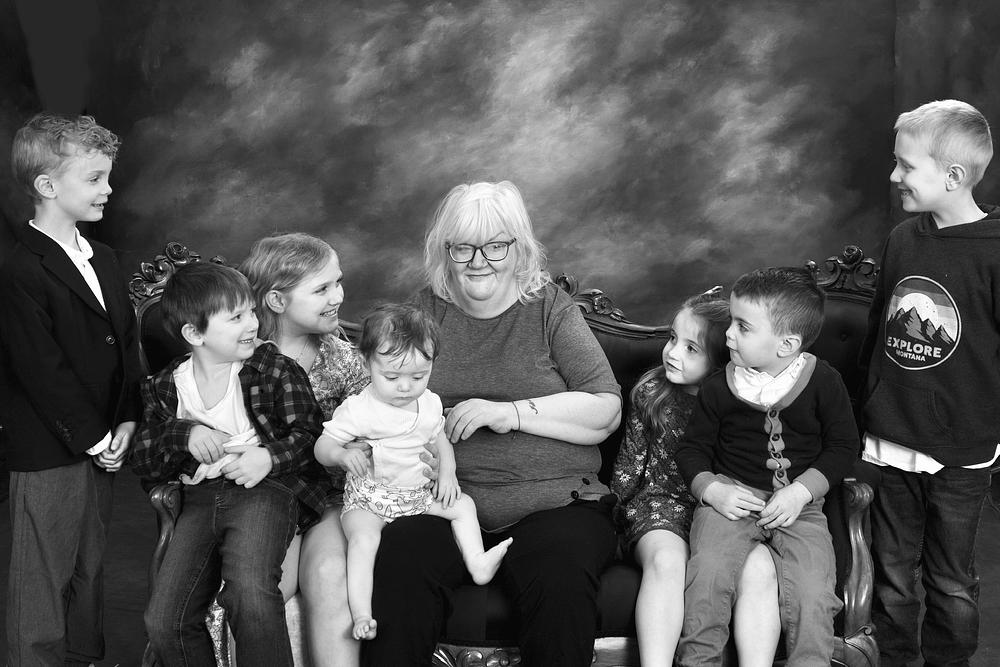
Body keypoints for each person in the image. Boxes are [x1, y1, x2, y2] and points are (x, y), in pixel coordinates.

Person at [362, 181, 623, 667]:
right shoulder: (424, 313)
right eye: (463, 247)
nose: (478, 261)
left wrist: (510, 413)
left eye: (495, 246)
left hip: (556, 504)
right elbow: (379, 399)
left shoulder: (550, 310)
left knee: (560, 571)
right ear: (445, 251)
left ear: (518, 248)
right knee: (401, 555)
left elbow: (605, 409)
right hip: (441, 504)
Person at [242, 232, 439, 667]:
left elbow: (382, 423)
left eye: (338, 282)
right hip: (264, 496)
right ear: (276, 300)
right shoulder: (241, 353)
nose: (338, 296)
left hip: (330, 497)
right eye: (322, 289)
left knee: (330, 573)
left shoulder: (345, 360)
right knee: (261, 587)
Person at [131, 261, 328, 667]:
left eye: (251, 311)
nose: (252, 324)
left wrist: (267, 457)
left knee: (248, 593)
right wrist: (183, 433)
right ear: (195, 334)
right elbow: (144, 462)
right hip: (199, 501)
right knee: (164, 621)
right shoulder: (168, 386)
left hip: (265, 494)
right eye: (236, 317)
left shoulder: (273, 369)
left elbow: (311, 436)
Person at [859, 99, 1000, 667]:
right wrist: (867, 406)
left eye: (906, 165)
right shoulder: (902, 238)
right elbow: (878, 329)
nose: (894, 175)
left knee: (951, 580)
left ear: (953, 175)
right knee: (892, 573)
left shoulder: (994, 253)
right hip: (891, 438)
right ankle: (894, 658)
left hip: (961, 449)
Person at [0, 113, 142, 666]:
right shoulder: (19, 269)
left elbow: (126, 344)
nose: (108, 189)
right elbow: (41, 368)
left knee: (89, 566)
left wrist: (127, 418)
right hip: (51, 447)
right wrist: (95, 437)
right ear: (47, 186)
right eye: (95, 178)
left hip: (103, 440)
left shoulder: (102, 257)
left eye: (108, 176)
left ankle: (82, 659)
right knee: (43, 576)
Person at [675, 267, 860, 666]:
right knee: (708, 576)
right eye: (732, 321)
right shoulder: (718, 387)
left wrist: (801, 492)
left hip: (799, 509)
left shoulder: (824, 382)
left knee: (813, 592)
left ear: (787, 344)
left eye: (742, 327)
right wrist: (712, 490)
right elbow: (691, 450)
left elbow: (844, 446)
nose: (728, 334)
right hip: (731, 503)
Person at [315, 303, 512, 641]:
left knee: (463, 505)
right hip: (370, 501)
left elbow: (439, 438)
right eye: (391, 377)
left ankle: (478, 564)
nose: (405, 387)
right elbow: (322, 446)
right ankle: (362, 613)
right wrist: (342, 454)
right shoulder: (360, 410)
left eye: (419, 376)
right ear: (367, 363)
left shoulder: (430, 403)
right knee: (363, 541)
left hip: (415, 497)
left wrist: (448, 473)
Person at [611, 290, 781, 666]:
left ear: (722, 362)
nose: (673, 353)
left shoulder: (746, 407)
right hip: (660, 505)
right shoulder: (652, 393)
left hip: (724, 513)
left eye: (691, 349)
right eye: (673, 338)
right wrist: (621, 518)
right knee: (668, 560)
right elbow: (627, 473)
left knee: (760, 569)